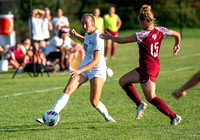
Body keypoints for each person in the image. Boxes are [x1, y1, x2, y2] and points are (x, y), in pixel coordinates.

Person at [100, 5, 182, 126]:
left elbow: (121, 40)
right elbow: (177, 34)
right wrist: (177, 45)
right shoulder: (161, 30)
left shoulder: (141, 35)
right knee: (123, 81)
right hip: (153, 66)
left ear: (143, 21)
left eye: (139, 22)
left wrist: (108, 37)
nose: (139, 25)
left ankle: (174, 116)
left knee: (151, 97)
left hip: (148, 69)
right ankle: (139, 104)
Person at [36, 14, 115, 124]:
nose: (83, 25)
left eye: (86, 23)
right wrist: (75, 34)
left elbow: (96, 61)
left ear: (93, 23)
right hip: (84, 67)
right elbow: (86, 41)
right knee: (68, 89)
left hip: (97, 70)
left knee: (94, 101)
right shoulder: (88, 33)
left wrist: (79, 70)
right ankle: (52, 115)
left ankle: (107, 116)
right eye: (82, 23)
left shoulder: (98, 37)